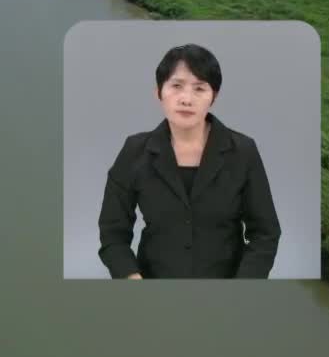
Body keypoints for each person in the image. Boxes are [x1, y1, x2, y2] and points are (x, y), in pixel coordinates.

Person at [98, 44, 281, 279]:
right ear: (159, 93)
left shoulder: (243, 151)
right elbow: (112, 233)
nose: (186, 99)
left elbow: (266, 233)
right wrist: (132, 279)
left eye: (199, 89)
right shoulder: (134, 151)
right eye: (176, 86)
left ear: (213, 97)